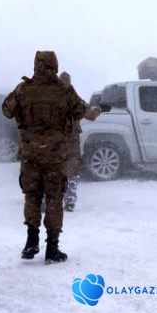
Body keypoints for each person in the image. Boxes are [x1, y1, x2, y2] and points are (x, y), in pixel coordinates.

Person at [2, 51, 87, 263]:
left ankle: (31, 242)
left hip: (30, 155)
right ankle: (52, 248)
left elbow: (6, 110)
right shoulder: (64, 90)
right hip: (55, 156)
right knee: (54, 200)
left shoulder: (23, 88)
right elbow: (79, 111)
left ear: (35, 65)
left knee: (32, 197)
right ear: (55, 66)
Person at [59, 72, 102, 212]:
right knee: (72, 170)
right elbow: (90, 115)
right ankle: (70, 199)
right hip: (71, 139)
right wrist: (100, 108)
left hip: (53, 140)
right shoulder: (75, 99)